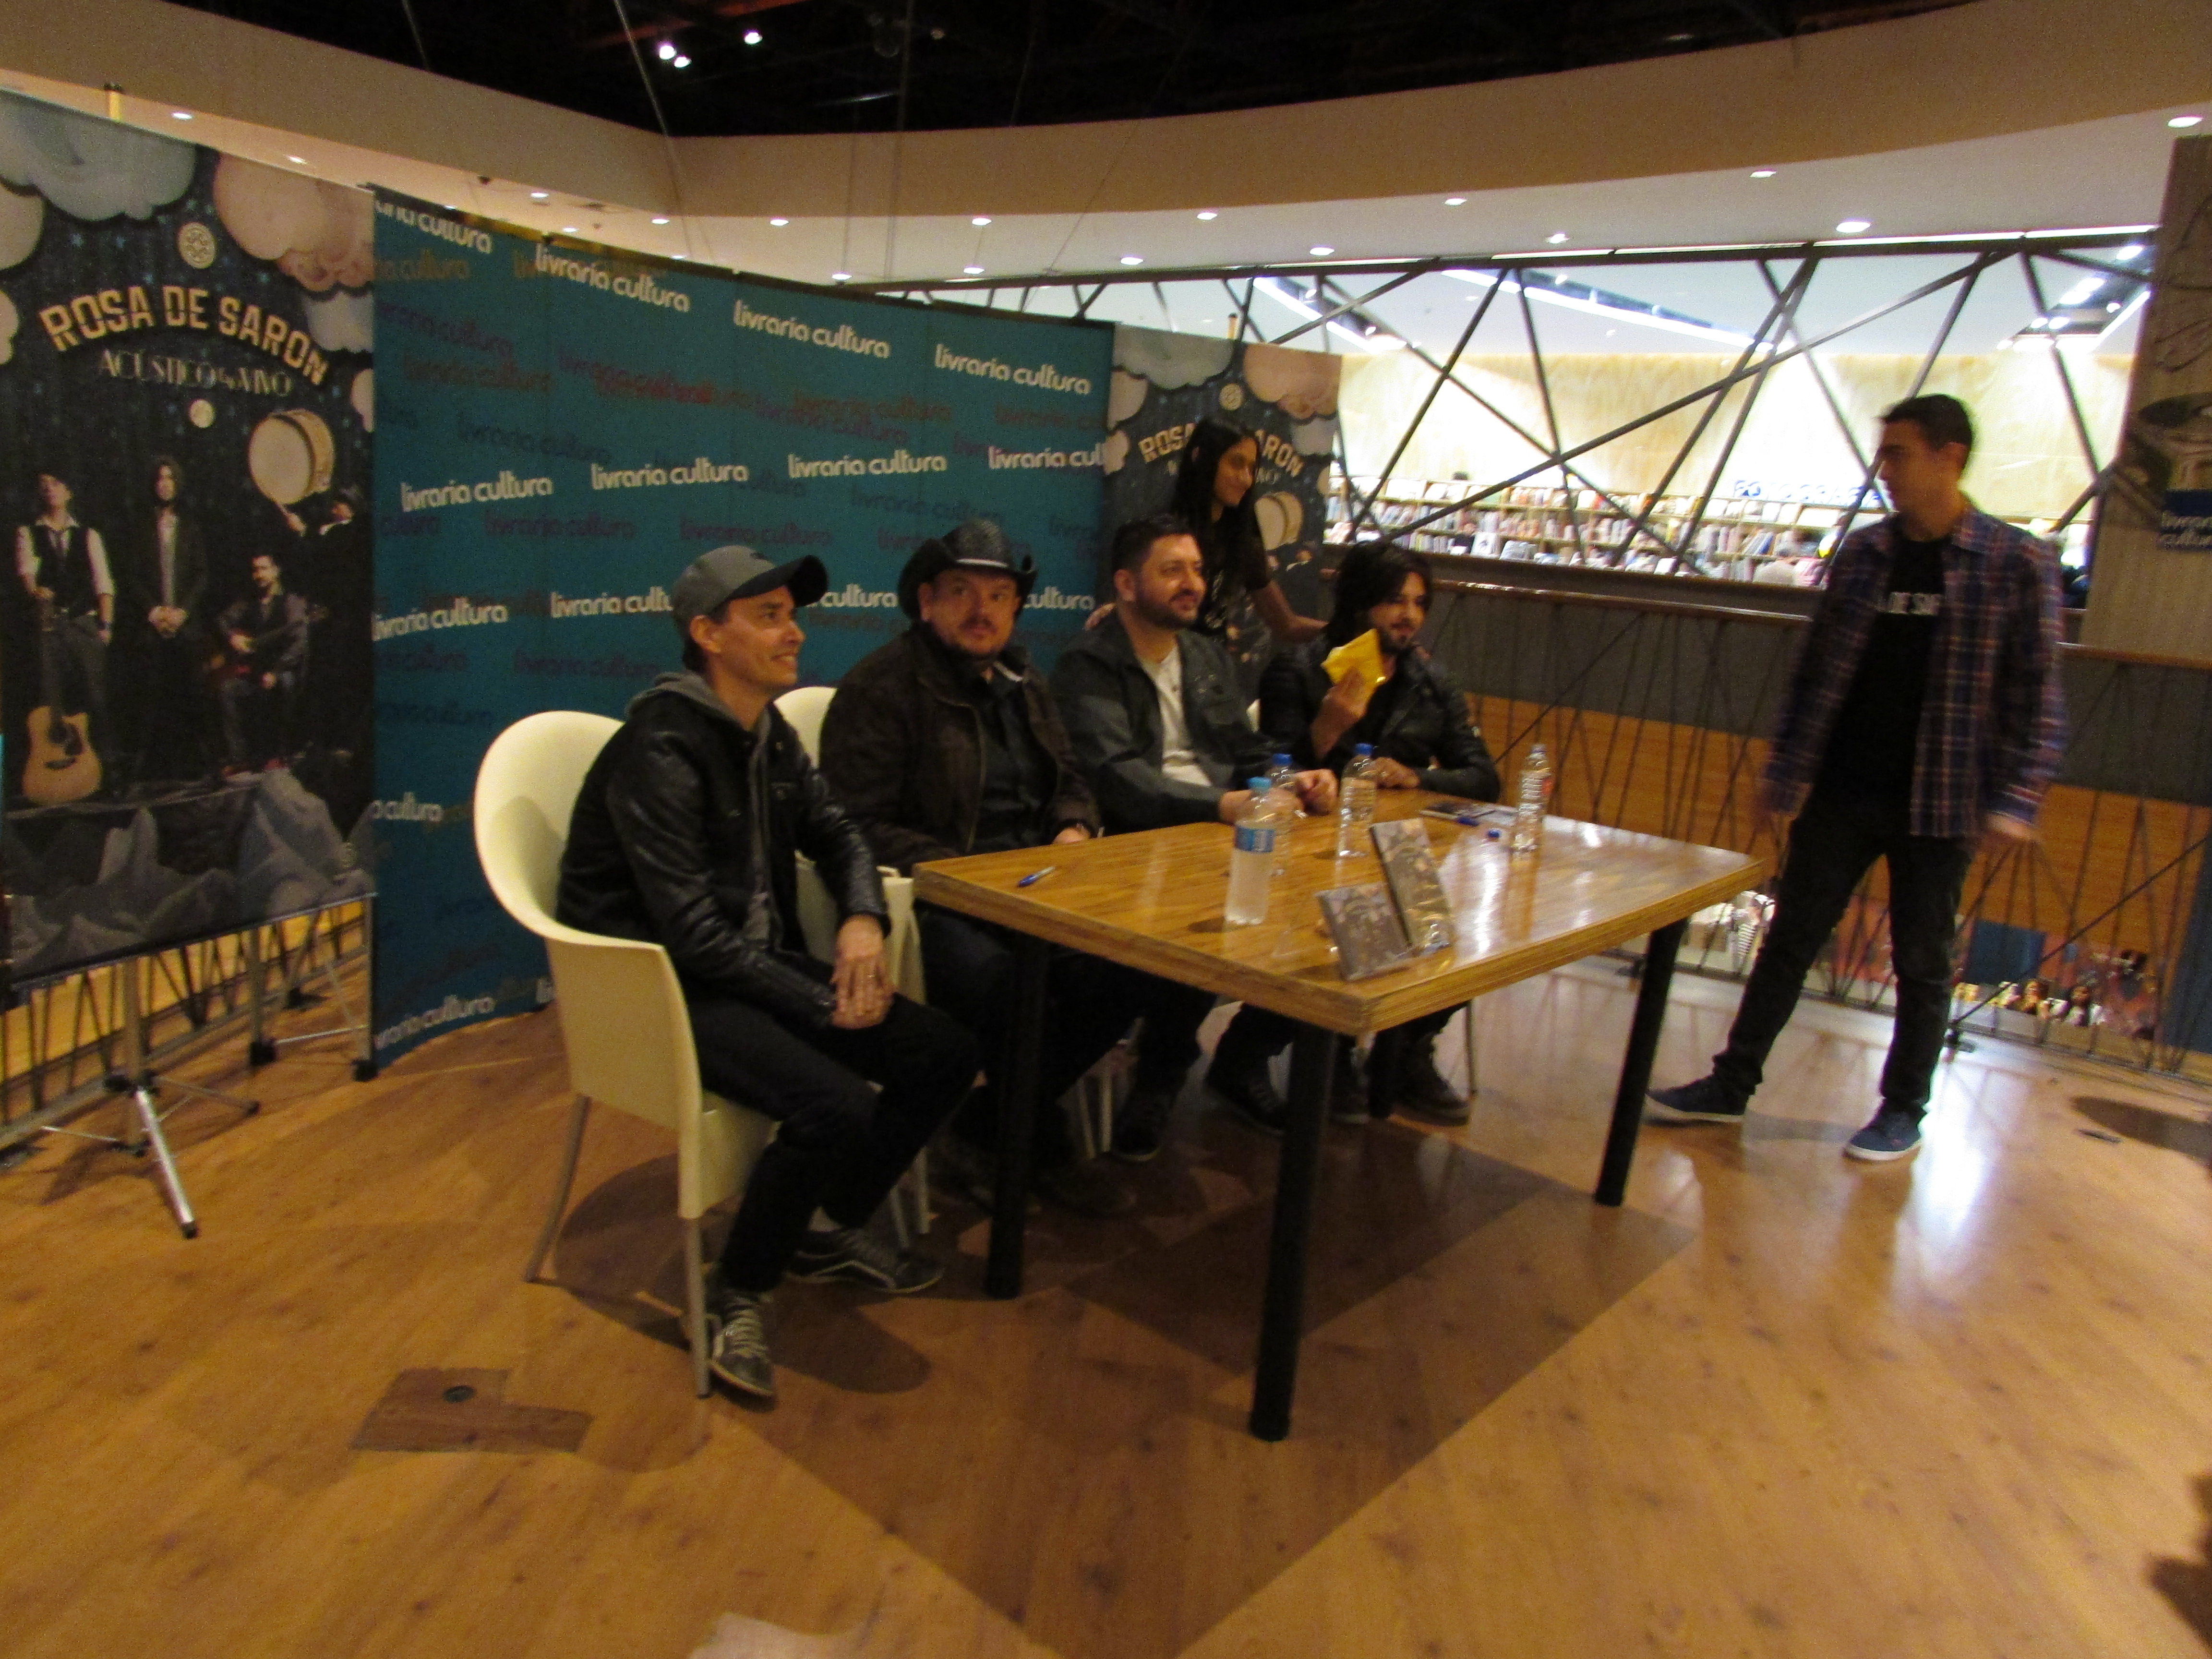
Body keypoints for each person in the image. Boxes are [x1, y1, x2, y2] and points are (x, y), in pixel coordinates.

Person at [556, 544, 978, 1401]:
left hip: (743, 963)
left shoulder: (764, 732)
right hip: (661, 988)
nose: (795, 633)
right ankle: (734, 1291)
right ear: (708, 634)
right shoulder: (661, 747)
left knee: (944, 1052)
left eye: (792, 615)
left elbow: (840, 832)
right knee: (836, 1105)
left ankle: (822, 1226)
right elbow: (691, 937)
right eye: (770, 616)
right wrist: (822, 1002)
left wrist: (861, 920)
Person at [1646, 395, 2066, 1163]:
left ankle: (1902, 1110)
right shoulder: (1867, 554)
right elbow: (1815, 674)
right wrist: (1784, 770)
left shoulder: (2014, 562)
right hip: (1845, 787)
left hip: (1940, 800)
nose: (1885, 470)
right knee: (1789, 940)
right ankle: (1731, 1085)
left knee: (1923, 961)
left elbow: (2038, 696)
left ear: (1949, 457)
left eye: (1899, 453)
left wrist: (2016, 798)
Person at [821, 520, 1217, 1201]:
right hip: (934, 899)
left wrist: (1072, 828)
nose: (983, 611)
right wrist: (969, 876)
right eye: (962, 591)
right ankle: (1033, 1140)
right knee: (1007, 987)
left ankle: (987, 1124)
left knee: (1136, 964)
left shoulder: (1024, 678)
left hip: (1036, 887)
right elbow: (855, 823)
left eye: (1000, 596)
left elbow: (1072, 779)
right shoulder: (882, 687)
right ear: (927, 600)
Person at [1053, 513, 1342, 1146]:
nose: (1193, 584)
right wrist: (1223, 806)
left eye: (1198, 570)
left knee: (1327, 904)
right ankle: (1160, 1078)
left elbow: (1247, 750)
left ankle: (1246, 1056)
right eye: (1173, 571)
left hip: (1221, 828)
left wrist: (1293, 779)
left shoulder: (1206, 655)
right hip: (1134, 840)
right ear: (1126, 585)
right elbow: (1117, 778)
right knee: (1201, 914)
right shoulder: (1088, 663)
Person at [1255, 540, 1501, 1125]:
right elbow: (1265, 771)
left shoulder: (1430, 680)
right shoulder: (1301, 667)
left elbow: (1485, 777)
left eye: (1419, 603)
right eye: (1395, 601)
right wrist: (1328, 728)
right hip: (1314, 855)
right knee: (1357, 912)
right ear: (1361, 602)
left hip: (1401, 856)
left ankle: (1408, 1050)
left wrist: (1419, 776)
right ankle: (1330, 1048)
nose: (1408, 616)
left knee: (1470, 926)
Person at [1092, 421, 1325, 692]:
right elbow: (1131, 606)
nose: (1246, 479)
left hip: (1208, 683)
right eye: (1236, 464)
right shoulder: (1160, 535)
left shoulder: (1242, 542)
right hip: (1154, 678)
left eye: (1252, 469)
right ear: (1200, 458)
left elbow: (1286, 624)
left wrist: (1348, 632)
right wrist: (1117, 611)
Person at [14, 470, 116, 770]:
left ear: (69, 492)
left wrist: (105, 626)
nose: (50, 490)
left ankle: (108, 769)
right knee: (53, 700)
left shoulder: (88, 535)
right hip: (50, 627)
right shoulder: (28, 534)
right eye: (44, 486)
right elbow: (27, 575)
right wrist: (37, 592)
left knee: (97, 699)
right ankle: (64, 771)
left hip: (84, 623)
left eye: (56, 484)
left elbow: (103, 583)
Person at [121, 457, 213, 784]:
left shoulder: (191, 527)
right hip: (152, 626)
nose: (165, 484)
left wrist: (181, 613)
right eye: (160, 478)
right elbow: (131, 576)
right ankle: (147, 771)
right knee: (150, 698)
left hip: (185, 625)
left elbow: (201, 575)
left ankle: (199, 765)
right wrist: (155, 612)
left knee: (191, 695)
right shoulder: (139, 527)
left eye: (170, 478)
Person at [215, 552, 310, 774]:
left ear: (276, 571)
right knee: (227, 690)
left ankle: (278, 753)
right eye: (255, 570)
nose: (259, 575)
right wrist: (233, 637)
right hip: (256, 670)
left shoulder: (291, 602)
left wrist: (276, 671)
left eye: (264, 569)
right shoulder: (248, 603)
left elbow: (299, 644)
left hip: (283, 670)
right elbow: (222, 621)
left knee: (283, 685)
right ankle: (239, 757)